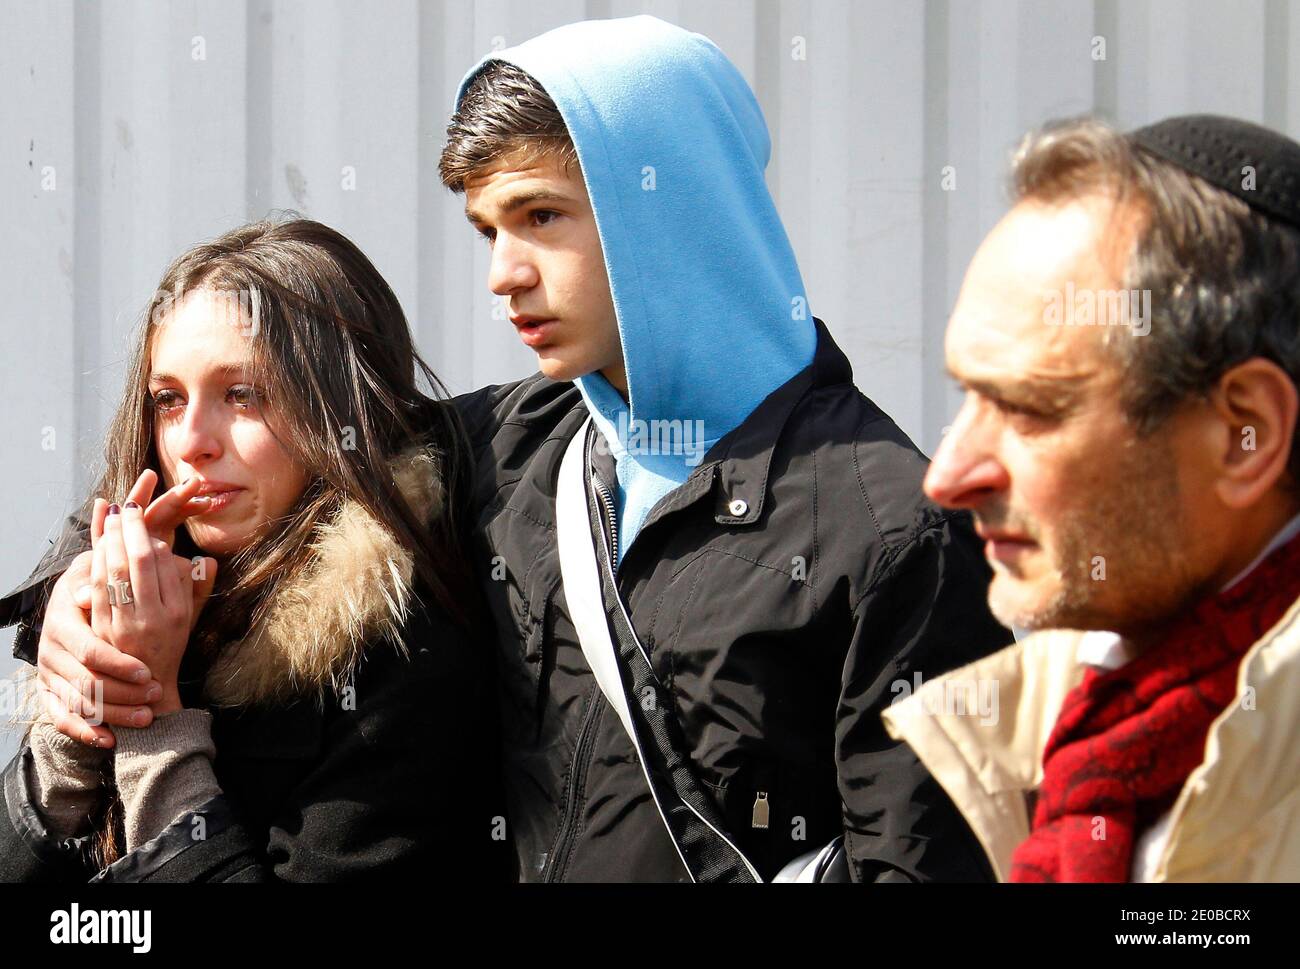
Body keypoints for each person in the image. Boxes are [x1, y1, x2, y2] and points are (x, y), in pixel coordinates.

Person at [435, 16, 1009, 881]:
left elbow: (921, 867)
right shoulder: (507, 451)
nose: (502, 274)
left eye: (541, 215)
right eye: (488, 230)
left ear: (668, 208)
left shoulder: (895, 529)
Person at [0, 219, 509, 882]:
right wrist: (73, 734)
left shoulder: (405, 649)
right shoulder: (119, 597)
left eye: (241, 394)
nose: (191, 442)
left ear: (339, 408)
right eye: (168, 400)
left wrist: (155, 730)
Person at [882, 114, 1300, 882]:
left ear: (1245, 432)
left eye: (1030, 409)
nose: (947, 476)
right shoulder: (1063, 733)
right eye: (968, 397)